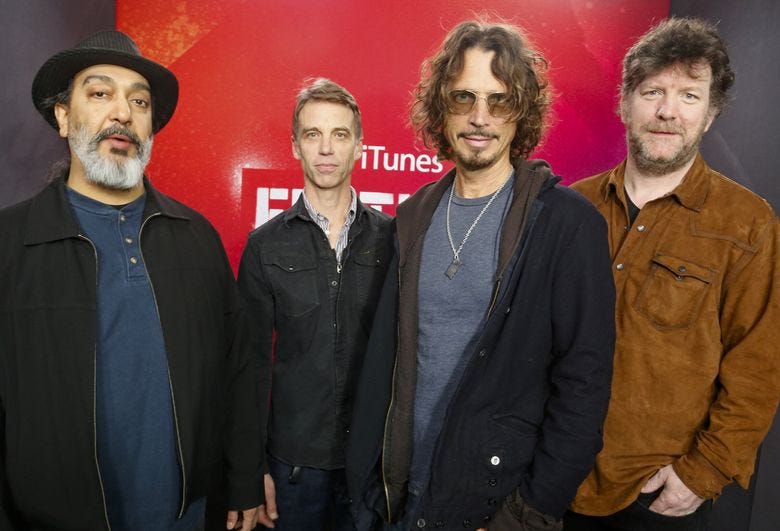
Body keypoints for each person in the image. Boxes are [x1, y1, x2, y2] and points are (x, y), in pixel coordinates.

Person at [346, 19, 616, 531]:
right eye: (462, 97)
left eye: (500, 100)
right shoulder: (412, 217)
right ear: (439, 107)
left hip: (494, 508)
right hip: (400, 500)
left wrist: (528, 514)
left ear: (523, 112)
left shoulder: (567, 225)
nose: (479, 117)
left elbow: (584, 389)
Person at [0, 30, 268, 531]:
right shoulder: (9, 245)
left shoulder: (196, 237)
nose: (121, 112)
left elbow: (238, 372)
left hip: (186, 517)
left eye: (138, 101)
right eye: (100, 94)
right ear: (63, 116)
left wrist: (245, 480)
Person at [565, 17, 780, 531]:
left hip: (655, 493)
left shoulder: (747, 222)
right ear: (624, 103)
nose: (667, 111)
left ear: (710, 114)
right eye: (652, 91)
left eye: (689, 95)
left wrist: (703, 473)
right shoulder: (570, 207)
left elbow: (757, 367)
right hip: (554, 481)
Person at [237, 78, 393, 529]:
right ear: (295, 147)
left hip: (371, 464)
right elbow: (248, 367)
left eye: (340, 135)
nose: (326, 149)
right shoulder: (265, 246)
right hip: (293, 468)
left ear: (359, 146)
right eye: (313, 135)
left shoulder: (394, 239)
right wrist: (253, 468)